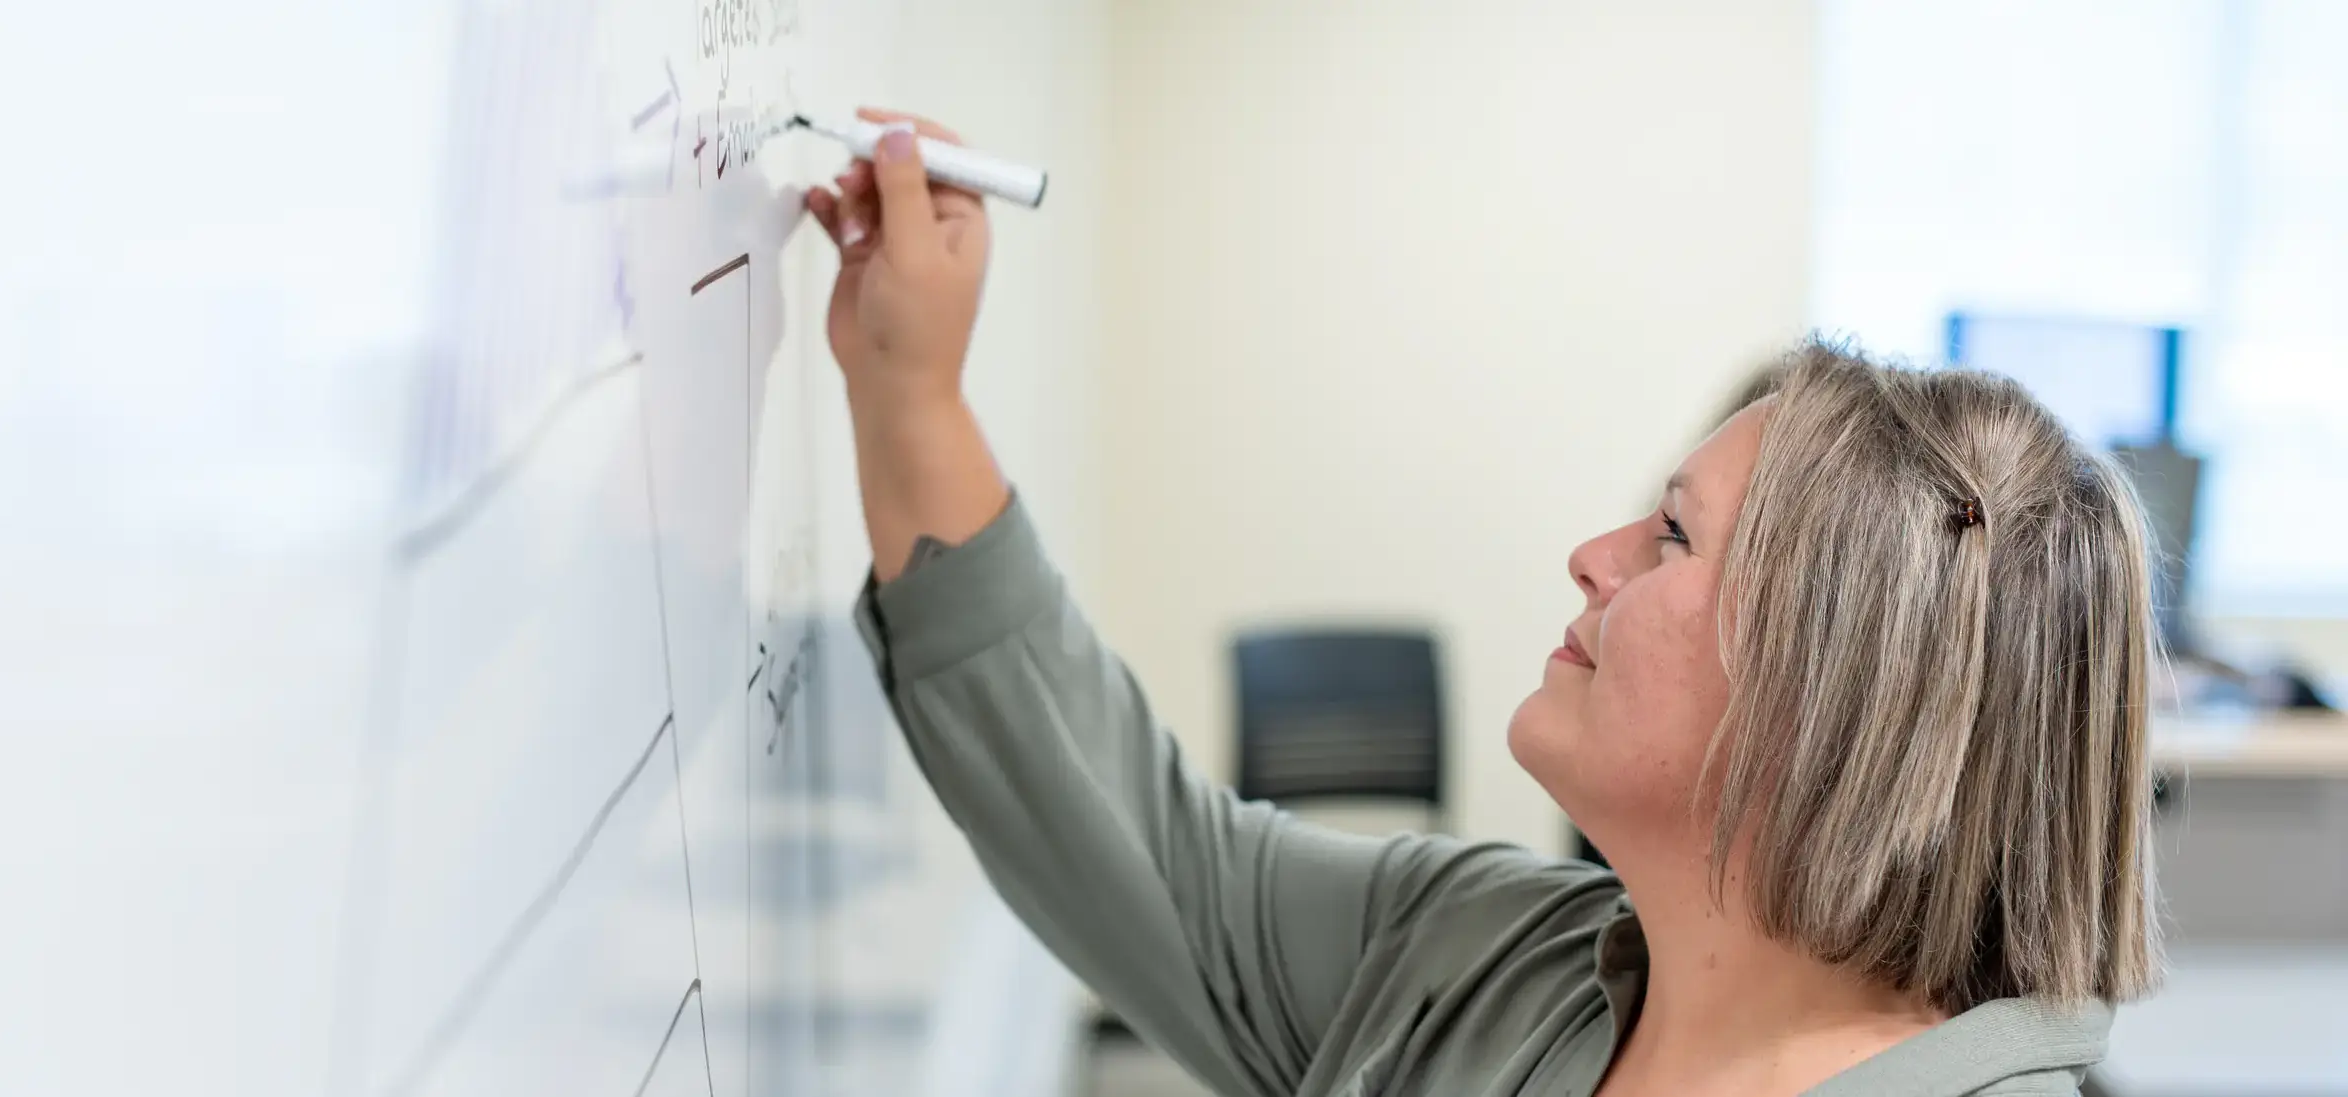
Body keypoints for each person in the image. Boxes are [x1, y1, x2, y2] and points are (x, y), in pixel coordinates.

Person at [802, 110, 2161, 1097]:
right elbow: (1152, 859)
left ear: (1835, 689)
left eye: (1672, 537)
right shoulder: (1486, 959)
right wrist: (908, 391)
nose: (1591, 555)